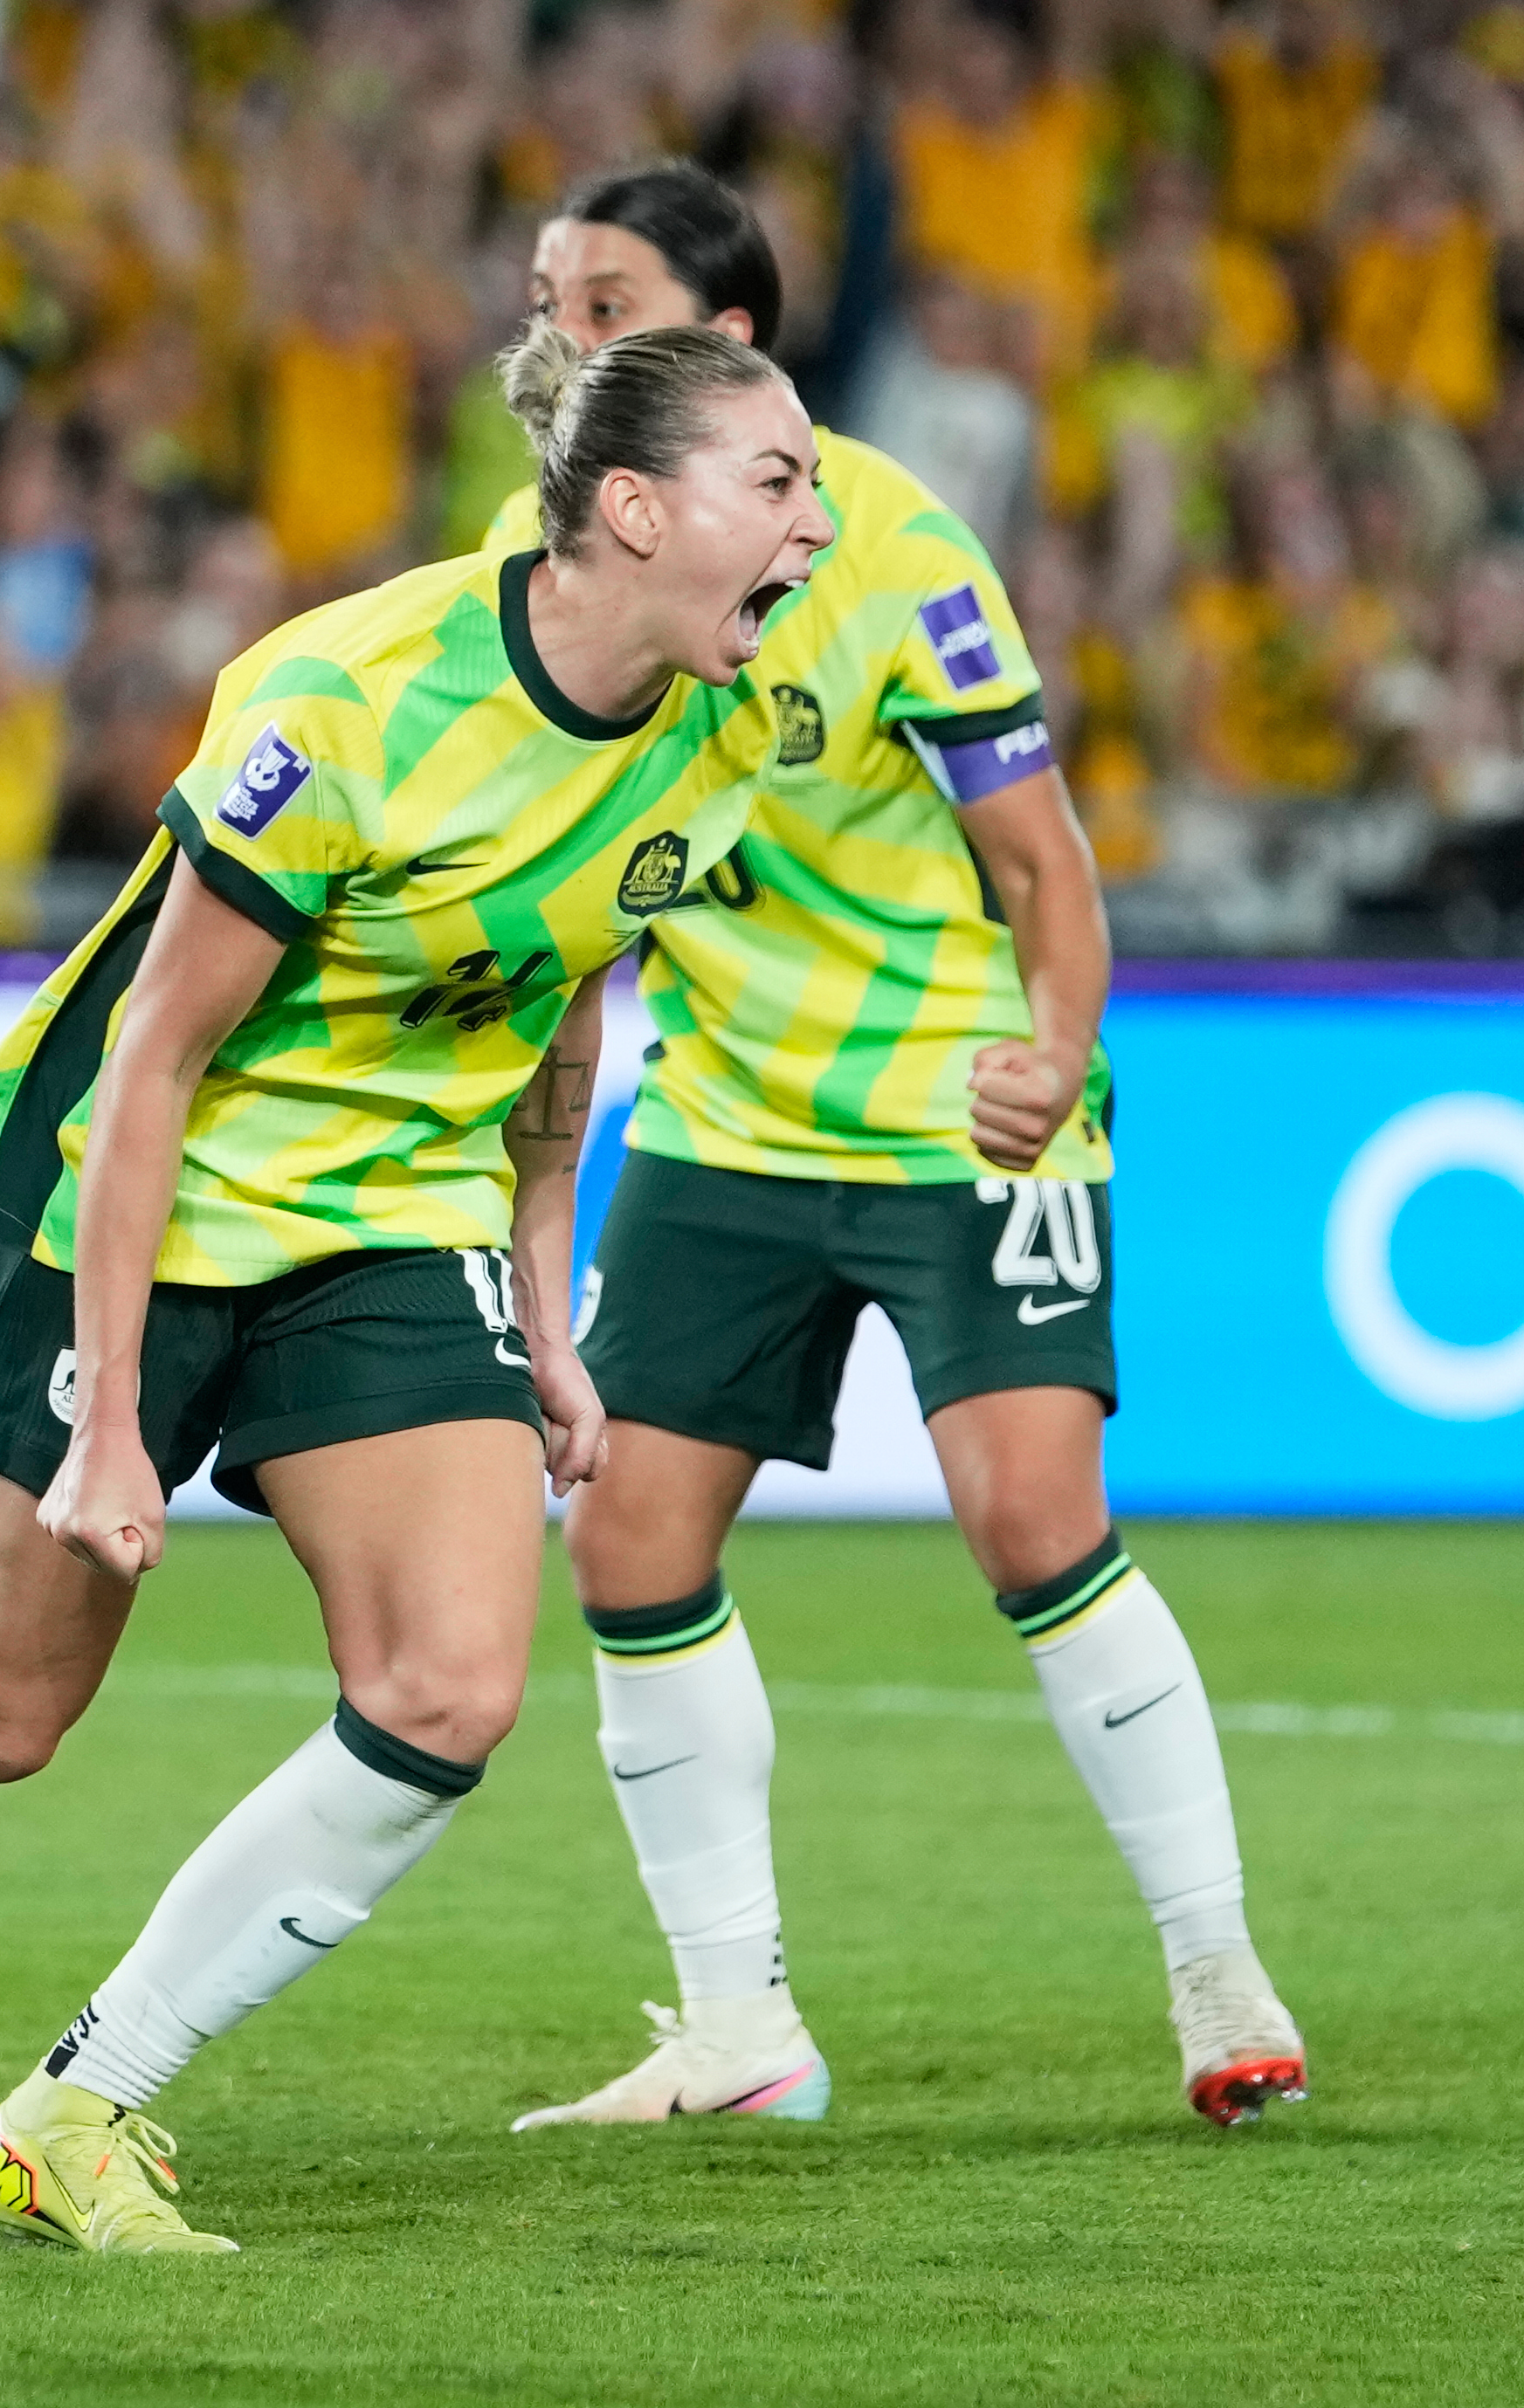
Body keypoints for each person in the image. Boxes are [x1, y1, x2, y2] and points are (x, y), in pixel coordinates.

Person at [0, 320, 834, 2253]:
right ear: (632, 505)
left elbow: (570, 982)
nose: (820, 526)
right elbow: (155, 1056)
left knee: (447, 1682)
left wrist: (543, 1293)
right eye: (780, 484)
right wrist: (108, 1413)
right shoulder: (346, 698)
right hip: (126, 1195)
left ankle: (82, 2103)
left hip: (384, 1212)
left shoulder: (731, 719)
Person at [483, 165, 1306, 2131]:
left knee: (1031, 1517)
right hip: (724, 1113)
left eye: (600, 307)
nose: (550, 340)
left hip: (957, 1093)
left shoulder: (902, 550)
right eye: (543, 298)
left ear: (728, 347)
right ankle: (737, 2027)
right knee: (626, 1537)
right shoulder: (544, 550)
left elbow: (1046, 864)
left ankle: (1216, 1967)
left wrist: (1052, 1047)